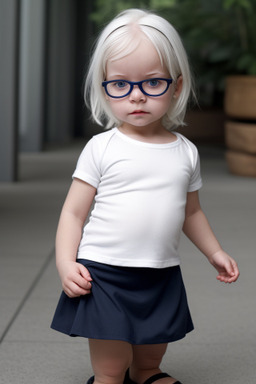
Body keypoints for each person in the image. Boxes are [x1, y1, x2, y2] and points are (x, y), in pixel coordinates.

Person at [51, 8, 239, 384]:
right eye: (120, 84)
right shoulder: (102, 147)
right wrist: (65, 263)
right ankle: (108, 379)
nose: (136, 97)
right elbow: (73, 213)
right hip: (103, 271)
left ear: (177, 86)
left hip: (159, 270)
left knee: (153, 342)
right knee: (111, 358)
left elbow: (191, 213)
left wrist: (214, 251)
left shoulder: (185, 151)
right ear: (104, 86)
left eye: (152, 83)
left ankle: (148, 372)